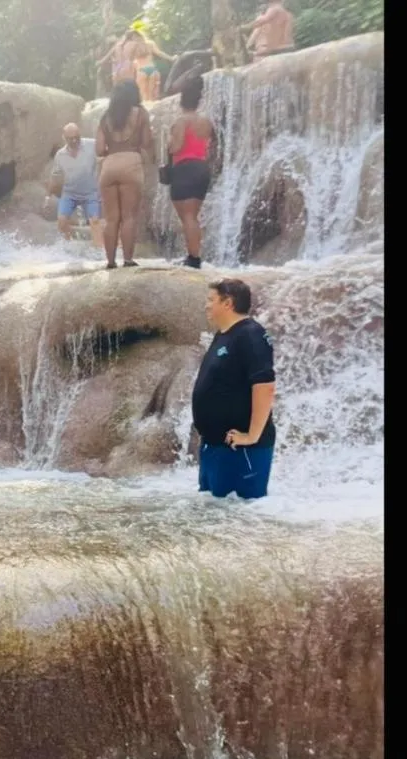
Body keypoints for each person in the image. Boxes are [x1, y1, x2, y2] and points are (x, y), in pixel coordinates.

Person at [191, 279, 277, 500]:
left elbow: (265, 387)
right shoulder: (225, 334)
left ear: (227, 303)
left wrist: (252, 436)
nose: (206, 305)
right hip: (216, 446)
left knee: (242, 515)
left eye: (211, 300)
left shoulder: (251, 334)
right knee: (213, 515)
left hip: (241, 450)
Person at [96, 80, 153, 269]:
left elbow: (98, 149)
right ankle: (128, 260)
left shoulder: (106, 118)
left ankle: (110, 262)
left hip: (109, 165)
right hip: (131, 163)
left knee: (111, 219)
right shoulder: (141, 114)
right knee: (129, 217)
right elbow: (146, 141)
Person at [167, 74, 214, 269]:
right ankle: (193, 254)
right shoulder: (206, 122)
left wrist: (169, 144)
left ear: (182, 101)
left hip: (184, 168)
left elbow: (176, 148)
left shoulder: (181, 122)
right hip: (202, 168)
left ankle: (194, 258)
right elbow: (211, 146)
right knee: (192, 216)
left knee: (187, 217)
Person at [47, 122, 105, 249]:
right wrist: (48, 195)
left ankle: (100, 250)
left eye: (76, 137)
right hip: (70, 193)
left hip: (91, 193)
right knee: (62, 220)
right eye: (70, 138)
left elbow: (105, 152)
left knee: (95, 221)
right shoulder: (60, 155)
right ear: (64, 138)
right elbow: (55, 176)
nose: (74, 140)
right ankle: (68, 248)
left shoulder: (91, 144)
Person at [131, 30, 174, 102]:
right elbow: (160, 53)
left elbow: (131, 61)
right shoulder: (150, 43)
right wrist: (171, 58)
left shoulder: (134, 46)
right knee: (152, 96)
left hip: (141, 71)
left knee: (143, 96)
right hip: (152, 69)